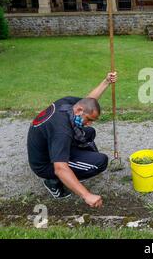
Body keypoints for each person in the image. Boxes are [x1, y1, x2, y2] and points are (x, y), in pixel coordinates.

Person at [27, 72, 117, 208]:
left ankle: (71, 161)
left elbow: (89, 100)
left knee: (89, 132)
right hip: (45, 164)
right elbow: (60, 168)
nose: (89, 123)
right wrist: (87, 195)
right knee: (99, 162)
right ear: (80, 110)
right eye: (89, 119)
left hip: (48, 145)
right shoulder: (62, 131)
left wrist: (106, 82)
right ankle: (52, 182)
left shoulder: (68, 104)